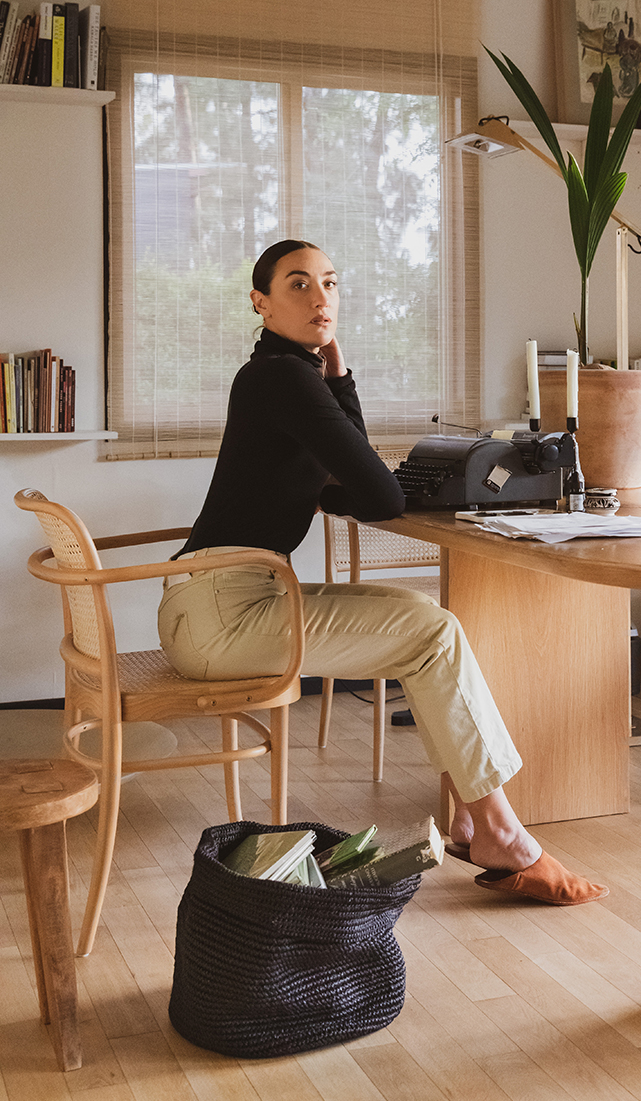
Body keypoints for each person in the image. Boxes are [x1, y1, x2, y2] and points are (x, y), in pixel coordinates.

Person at [158, 239, 606, 906]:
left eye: (331, 284)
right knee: (434, 633)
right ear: (261, 303)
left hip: (214, 603)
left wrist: (335, 391)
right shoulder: (284, 378)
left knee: (425, 629)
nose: (321, 298)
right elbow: (379, 495)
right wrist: (342, 385)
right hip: (228, 614)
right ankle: (503, 835)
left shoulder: (275, 378)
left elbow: (346, 486)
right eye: (300, 285)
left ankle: (471, 818)